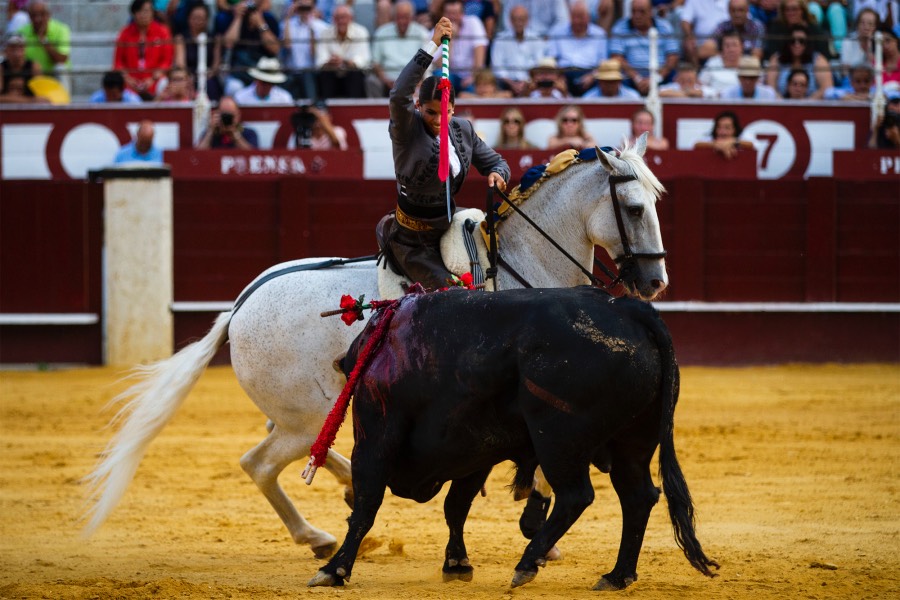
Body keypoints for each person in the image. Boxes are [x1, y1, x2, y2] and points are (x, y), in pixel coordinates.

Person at [380, 16, 509, 290]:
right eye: (430, 112)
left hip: (449, 226)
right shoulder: (407, 129)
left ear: (454, 108)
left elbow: (496, 162)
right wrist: (433, 45)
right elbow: (398, 93)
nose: (438, 120)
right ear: (418, 105)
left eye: (445, 112)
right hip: (412, 240)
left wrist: (498, 174)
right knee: (452, 295)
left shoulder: (463, 129)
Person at [608, 0, 681, 95]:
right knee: (615, 79)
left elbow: (673, 57)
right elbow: (617, 57)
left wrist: (656, 79)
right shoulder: (620, 27)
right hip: (631, 79)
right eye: (633, 11)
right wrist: (637, 79)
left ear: (651, 12)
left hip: (661, 77)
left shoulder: (665, 27)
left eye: (642, 11)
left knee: (676, 79)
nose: (637, 16)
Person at [217, 0, 281, 96]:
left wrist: (261, 24)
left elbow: (275, 49)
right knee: (234, 87)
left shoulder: (269, 19)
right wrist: (238, 18)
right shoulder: (230, 17)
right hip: (239, 72)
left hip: (263, 72)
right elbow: (228, 44)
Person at [114, 0, 174, 100]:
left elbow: (166, 62)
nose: (143, 15)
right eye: (139, 11)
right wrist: (128, 79)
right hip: (130, 83)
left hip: (154, 80)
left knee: (165, 84)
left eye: (146, 11)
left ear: (152, 13)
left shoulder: (163, 32)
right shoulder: (125, 33)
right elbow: (118, 63)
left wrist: (152, 79)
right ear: (133, 14)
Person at [546, 1, 609, 97]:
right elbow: (551, 59)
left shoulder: (599, 34)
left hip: (590, 74)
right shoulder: (557, 32)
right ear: (570, 17)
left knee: (604, 81)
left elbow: (603, 63)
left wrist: (592, 76)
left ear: (588, 17)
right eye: (575, 17)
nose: (577, 21)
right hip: (564, 74)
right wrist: (559, 76)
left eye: (581, 17)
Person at [369, 1, 431, 98]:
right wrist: (386, 80)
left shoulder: (422, 34)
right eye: (399, 17)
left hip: (413, 82)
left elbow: (427, 63)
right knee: (371, 80)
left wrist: (418, 83)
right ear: (393, 17)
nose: (402, 21)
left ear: (412, 17)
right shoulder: (381, 33)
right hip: (387, 81)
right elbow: (375, 63)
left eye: (405, 17)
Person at [490, 3, 547, 97]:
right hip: (506, 83)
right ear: (510, 21)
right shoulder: (500, 40)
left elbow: (538, 65)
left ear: (527, 20)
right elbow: (498, 68)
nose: (518, 23)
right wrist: (512, 84)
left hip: (530, 82)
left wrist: (526, 82)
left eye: (521, 19)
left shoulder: (536, 40)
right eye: (515, 19)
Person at [315, 4, 371, 99]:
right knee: (325, 75)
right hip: (331, 73)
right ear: (333, 19)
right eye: (337, 18)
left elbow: (363, 60)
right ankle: (326, 109)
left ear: (351, 18)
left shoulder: (361, 32)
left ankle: (355, 109)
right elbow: (320, 61)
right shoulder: (325, 33)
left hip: (352, 75)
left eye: (344, 17)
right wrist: (330, 62)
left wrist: (344, 61)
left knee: (355, 74)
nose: (341, 21)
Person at [765, 24, 834, 98]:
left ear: (807, 43)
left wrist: (806, 104)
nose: (797, 44)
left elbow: (827, 88)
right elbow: (771, 89)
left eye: (801, 41)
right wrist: (785, 105)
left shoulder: (818, 60)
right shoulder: (776, 59)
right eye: (793, 41)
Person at [174, 1, 222, 101]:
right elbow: (180, 63)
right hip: (188, 76)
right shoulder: (181, 38)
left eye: (202, 18)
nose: (198, 21)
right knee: (183, 84)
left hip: (208, 76)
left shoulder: (214, 38)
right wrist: (189, 76)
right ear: (189, 18)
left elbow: (216, 64)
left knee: (210, 85)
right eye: (195, 18)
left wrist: (209, 74)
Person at [438, 0, 487, 93]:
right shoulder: (436, 31)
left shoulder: (473, 22)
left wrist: (473, 77)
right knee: (439, 76)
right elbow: (440, 65)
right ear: (443, 14)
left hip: (471, 75)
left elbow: (480, 56)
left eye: (455, 13)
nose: (452, 17)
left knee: (476, 85)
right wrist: (450, 39)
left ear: (462, 13)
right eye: (449, 14)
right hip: (449, 75)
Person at [763, 0, 834, 61]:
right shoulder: (776, 29)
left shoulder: (815, 30)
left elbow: (824, 55)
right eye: (787, 10)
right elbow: (772, 54)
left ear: (802, 10)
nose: (791, 13)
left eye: (794, 9)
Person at [17, 0, 71, 77]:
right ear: (29, 16)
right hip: (31, 75)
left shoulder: (61, 29)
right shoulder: (22, 32)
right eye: (34, 15)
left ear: (49, 15)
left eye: (42, 14)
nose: (37, 19)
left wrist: (44, 40)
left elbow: (62, 60)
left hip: (53, 75)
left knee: (60, 68)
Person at [700, 0, 767, 60]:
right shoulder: (722, 26)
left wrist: (730, 56)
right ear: (728, 11)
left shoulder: (757, 26)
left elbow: (757, 55)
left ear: (747, 10)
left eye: (741, 10)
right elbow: (704, 51)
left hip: (747, 69)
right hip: (725, 67)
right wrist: (726, 56)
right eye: (733, 10)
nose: (737, 14)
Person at [680, 0, 731, 65]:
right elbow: (685, 21)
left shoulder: (732, 1)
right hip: (701, 43)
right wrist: (689, 35)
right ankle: (698, 72)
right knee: (689, 43)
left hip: (726, 40)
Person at [698, 31, 744, 96]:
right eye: (727, 46)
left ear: (742, 47)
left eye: (735, 45)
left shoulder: (749, 63)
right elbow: (701, 85)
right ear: (722, 48)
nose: (731, 49)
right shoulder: (712, 63)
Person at [839, 7, 878, 79]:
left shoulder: (879, 42)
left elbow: (877, 71)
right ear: (857, 24)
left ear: (875, 27)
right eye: (862, 23)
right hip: (852, 81)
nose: (866, 27)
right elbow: (845, 71)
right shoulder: (848, 41)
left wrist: (869, 44)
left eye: (870, 24)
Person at [0, 32, 40, 102]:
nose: (16, 52)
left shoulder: (33, 66)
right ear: (6, 50)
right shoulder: (1, 68)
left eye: (20, 48)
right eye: (13, 48)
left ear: (25, 49)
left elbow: (40, 96)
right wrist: (29, 100)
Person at [501, 0, 570, 38]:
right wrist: (517, 35)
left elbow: (562, 21)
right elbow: (507, 21)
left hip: (547, 39)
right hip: (519, 38)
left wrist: (549, 36)